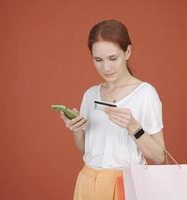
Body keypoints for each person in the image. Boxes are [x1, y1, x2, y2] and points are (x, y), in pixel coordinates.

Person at [59, 19, 166, 200]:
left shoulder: (145, 93)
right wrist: (77, 131)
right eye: (98, 60)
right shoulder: (91, 94)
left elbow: (159, 156)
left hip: (126, 183)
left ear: (128, 52)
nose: (106, 68)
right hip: (87, 182)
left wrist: (133, 127)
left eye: (113, 58)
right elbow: (86, 150)